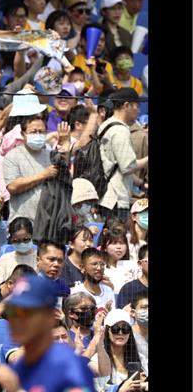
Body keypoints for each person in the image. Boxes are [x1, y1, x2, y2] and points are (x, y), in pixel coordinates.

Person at [98, 89, 147, 223]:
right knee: (116, 239)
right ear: (126, 105)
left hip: (106, 197)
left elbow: (118, 166)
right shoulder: (120, 130)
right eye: (137, 105)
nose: (139, 110)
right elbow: (128, 166)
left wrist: (141, 184)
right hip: (116, 200)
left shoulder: (105, 125)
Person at [0, 217, 38, 287]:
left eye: (25, 240)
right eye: (16, 241)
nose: (22, 243)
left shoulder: (40, 258)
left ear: (31, 236)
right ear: (11, 239)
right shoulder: (5, 259)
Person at [71, 248, 116, 315]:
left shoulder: (108, 291)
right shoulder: (76, 293)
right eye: (94, 264)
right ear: (82, 267)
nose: (99, 268)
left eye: (102, 264)